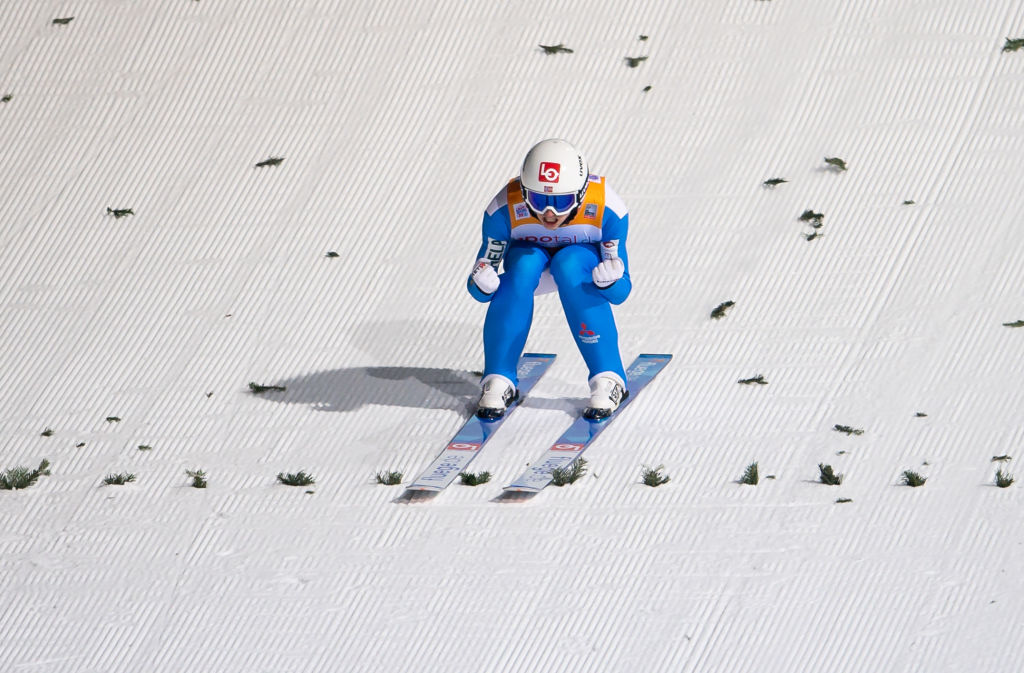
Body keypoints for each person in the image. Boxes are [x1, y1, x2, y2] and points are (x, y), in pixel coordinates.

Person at [467, 138, 631, 421]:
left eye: (562, 201)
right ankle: (498, 375)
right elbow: (480, 281)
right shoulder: (502, 208)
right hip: (531, 265)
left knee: (568, 264)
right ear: (524, 191)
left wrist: (610, 282)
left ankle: (608, 375)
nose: (549, 213)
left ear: (581, 195)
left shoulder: (608, 207)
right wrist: (483, 284)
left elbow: (622, 292)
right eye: (540, 200)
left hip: (578, 266)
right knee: (521, 269)